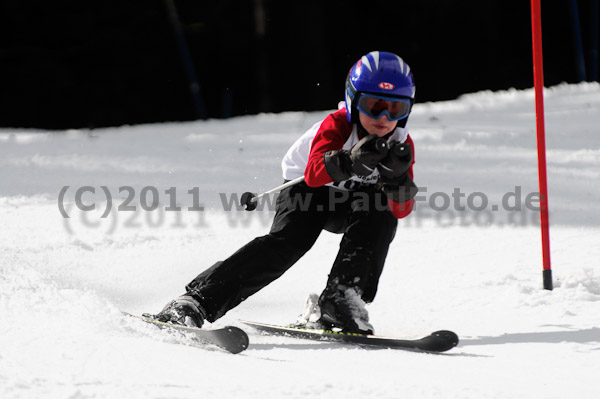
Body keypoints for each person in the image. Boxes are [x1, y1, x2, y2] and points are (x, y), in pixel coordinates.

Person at [146, 51, 418, 334]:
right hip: (308, 191)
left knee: (381, 214)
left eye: (396, 109)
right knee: (290, 242)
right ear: (353, 100)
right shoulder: (338, 125)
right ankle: (196, 301)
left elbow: (402, 210)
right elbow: (313, 174)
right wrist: (349, 160)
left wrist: (397, 179)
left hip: (353, 202)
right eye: (374, 106)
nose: (385, 118)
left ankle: (341, 300)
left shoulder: (400, 143)